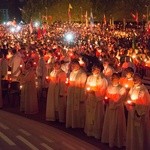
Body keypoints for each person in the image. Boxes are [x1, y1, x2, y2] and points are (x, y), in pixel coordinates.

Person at [101, 73, 126, 148]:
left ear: (118, 79)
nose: (113, 79)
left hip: (117, 109)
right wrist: (105, 100)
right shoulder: (109, 87)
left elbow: (120, 99)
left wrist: (111, 101)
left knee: (117, 123)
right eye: (112, 77)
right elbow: (106, 96)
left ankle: (117, 141)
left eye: (115, 77)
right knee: (109, 122)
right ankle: (108, 139)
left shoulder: (121, 88)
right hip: (109, 108)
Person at [125, 74, 150, 150]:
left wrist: (135, 105)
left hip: (139, 115)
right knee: (132, 132)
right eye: (134, 79)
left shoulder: (143, 90)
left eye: (136, 78)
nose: (134, 80)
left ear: (140, 79)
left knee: (139, 132)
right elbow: (128, 98)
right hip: (132, 112)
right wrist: (129, 104)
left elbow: (146, 104)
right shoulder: (132, 88)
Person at [84, 64, 108, 139]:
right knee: (89, 113)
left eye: (97, 69)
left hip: (97, 100)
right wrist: (87, 91)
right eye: (93, 68)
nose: (95, 70)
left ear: (100, 70)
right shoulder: (90, 77)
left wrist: (95, 92)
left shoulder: (102, 79)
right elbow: (86, 86)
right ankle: (89, 130)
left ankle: (96, 132)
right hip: (90, 98)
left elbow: (103, 90)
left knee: (97, 115)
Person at [66, 59, 87, 128]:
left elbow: (83, 86)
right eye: (72, 65)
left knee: (78, 109)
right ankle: (71, 123)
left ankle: (78, 124)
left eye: (75, 65)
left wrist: (82, 97)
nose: (74, 66)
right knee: (71, 107)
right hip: (71, 92)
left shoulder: (82, 74)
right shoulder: (71, 73)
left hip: (78, 93)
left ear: (78, 65)